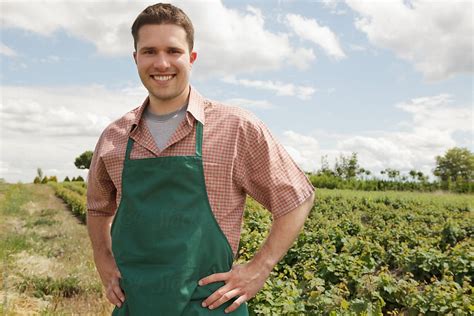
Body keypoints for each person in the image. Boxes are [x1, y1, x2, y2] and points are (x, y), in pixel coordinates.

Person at [86, 3, 315, 315]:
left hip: (208, 307)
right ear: (136, 57)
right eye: (150, 51)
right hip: (135, 306)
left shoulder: (235, 127)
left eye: (173, 50)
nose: (162, 62)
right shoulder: (115, 136)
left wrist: (259, 268)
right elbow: (98, 208)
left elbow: (296, 198)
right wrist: (103, 258)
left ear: (191, 58)